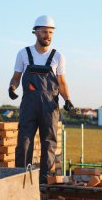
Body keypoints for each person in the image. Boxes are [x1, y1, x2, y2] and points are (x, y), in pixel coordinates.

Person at [8, 15, 74, 184]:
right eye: (44, 32)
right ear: (35, 32)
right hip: (29, 106)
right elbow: (16, 77)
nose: (48, 36)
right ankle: (21, 180)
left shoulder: (58, 56)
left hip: (49, 107)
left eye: (51, 32)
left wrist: (67, 99)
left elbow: (62, 82)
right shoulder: (23, 54)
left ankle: (45, 183)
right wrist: (12, 88)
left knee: (49, 144)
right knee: (24, 143)